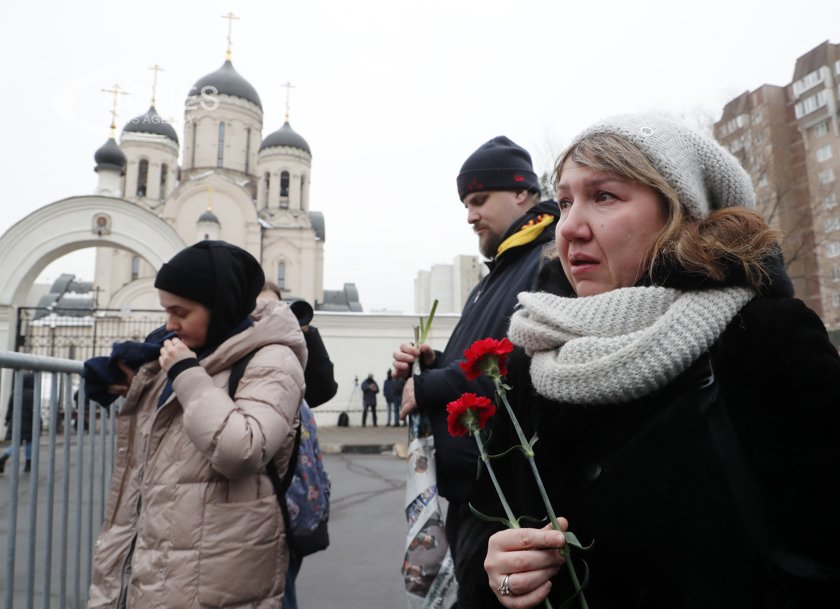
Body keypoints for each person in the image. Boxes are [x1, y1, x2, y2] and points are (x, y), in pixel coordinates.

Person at [460, 115, 840, 608]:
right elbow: (484, 535)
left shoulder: (763, 338)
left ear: (679, 213)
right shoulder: (528, 362)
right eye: (567, 200)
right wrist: (498, 578)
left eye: (604, 196)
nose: (570, 226)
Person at [85, 240, 307, 609]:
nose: (169, 324)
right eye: (166, 311)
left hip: (220, 567)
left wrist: (186, 374)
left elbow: (242, 449)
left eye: (181, 312)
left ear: (220, 306)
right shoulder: (183, 353)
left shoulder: (273, 359)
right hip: (163, 559)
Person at [392, 136, 570, 588]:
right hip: (474, 500)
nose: (470, 215)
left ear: (522, 193)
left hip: (510, 505)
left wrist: (431, 386)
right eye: (465, 204)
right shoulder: (494, 277)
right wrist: (429, 365)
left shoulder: (549, 261)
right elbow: (477, 359)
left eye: (478, 200)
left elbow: (522, 366)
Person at [258, 281, 338, 609]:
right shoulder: (240, 354)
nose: (270, 316)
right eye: (260, 309)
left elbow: (322, 387)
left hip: (297, 506)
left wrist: (304, 331)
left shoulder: (291, 353)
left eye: (277, 308)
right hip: (262, 510)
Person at [0, 371, 36, 474]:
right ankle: (28, 464)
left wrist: (7, 420)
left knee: (16, 443)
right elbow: (34, 410)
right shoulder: (33, 393)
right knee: (29, 442)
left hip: (15, 421)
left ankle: (4, 456)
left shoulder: (16, 391)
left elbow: (10, 407)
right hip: (29, 423)